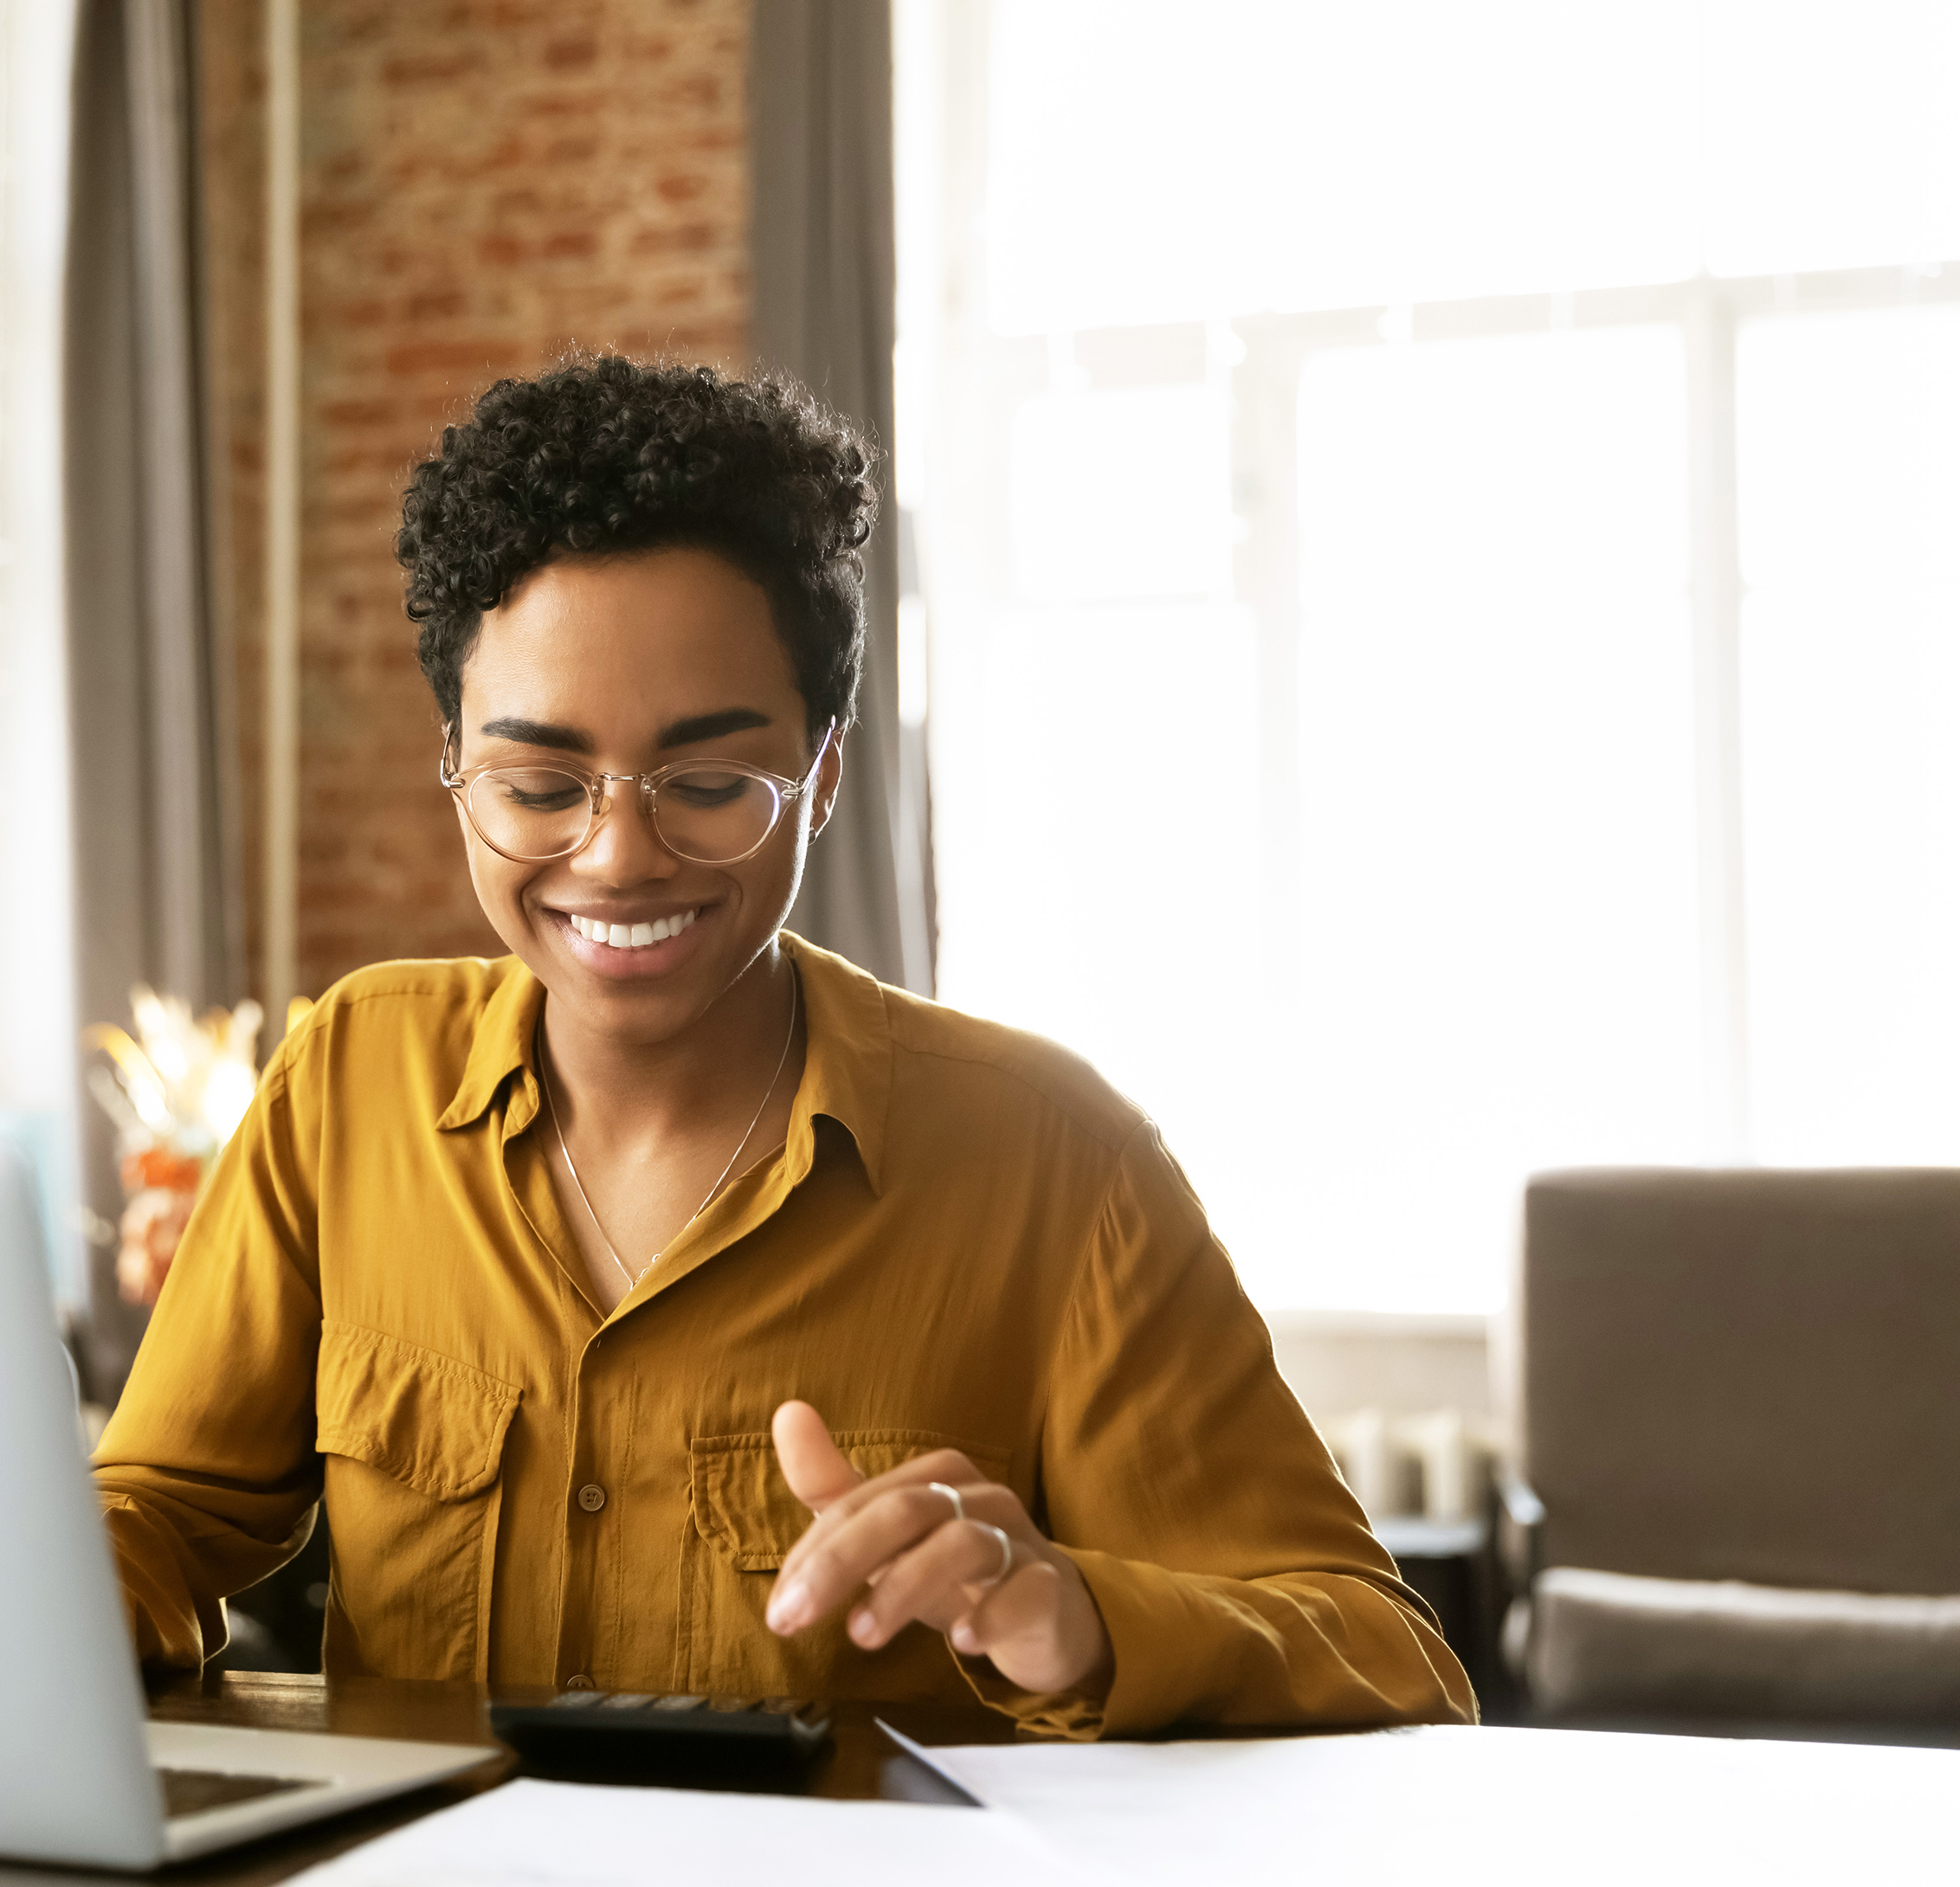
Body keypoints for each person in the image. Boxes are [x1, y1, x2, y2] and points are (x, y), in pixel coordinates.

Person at [90, 356, 1473, 1737]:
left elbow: (1391, 1660)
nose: (618, 856)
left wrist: (1080, 1617)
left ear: (822, 776)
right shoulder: (351, 1080)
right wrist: (58, 1581)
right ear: (455, 770)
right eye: (541, 784)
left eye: (708, 782)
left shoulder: (1058, 1165)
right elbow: (156, 1512)